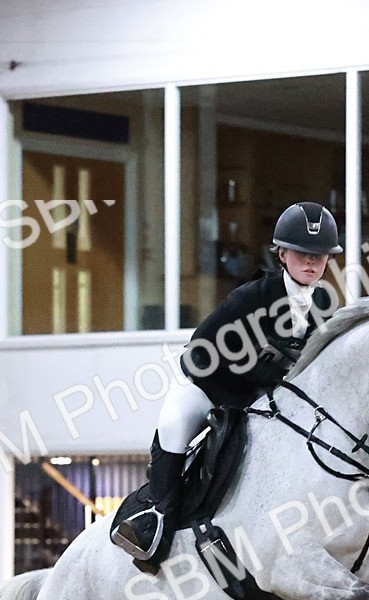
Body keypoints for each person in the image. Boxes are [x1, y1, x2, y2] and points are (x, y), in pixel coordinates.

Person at [111, 201, 342, 569]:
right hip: (212, 391)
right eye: (302, 253)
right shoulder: (250, 297)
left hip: (267, 407)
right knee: (173, 422)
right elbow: (197, 354)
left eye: (319, 255)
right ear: (282, 254)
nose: (311, 262)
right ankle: (157, 518)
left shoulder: (326, 307)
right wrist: (257, 372)